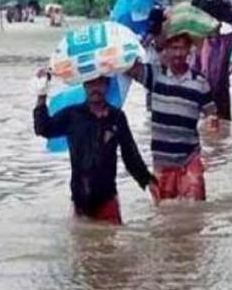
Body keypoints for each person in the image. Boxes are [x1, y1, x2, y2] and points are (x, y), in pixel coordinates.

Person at [33, 72, 157, 225]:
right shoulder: (72, 115)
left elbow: (129, 154)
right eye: (91, 83)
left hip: (107, 196)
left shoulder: (116, 117)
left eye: (100, 83)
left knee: (110, 243)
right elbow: (43, 129)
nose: (95, 88)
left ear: (107, 85)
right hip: (80, 197)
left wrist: (147, 181)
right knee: (82, 243)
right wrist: (42, 93)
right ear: (84, 86)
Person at [127, 32, 218, 201]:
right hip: (162, 160)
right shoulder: (154, 76)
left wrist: (212, 124)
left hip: (190, 157)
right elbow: (129, 69)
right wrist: (139, 43)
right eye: (173, 48)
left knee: (196, 211)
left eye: (182, 48)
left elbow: (211, 114)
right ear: (166, 51)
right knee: (164, 212)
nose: (178, 53)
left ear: (189, 50)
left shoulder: (200, 82)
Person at [192, 0, 232, 121]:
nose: (217, 25)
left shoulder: (226, 42)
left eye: (218, 22)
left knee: (223, 131)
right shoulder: (198, 43)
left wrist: (230, 8)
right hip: (203, 97)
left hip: (221, 97)